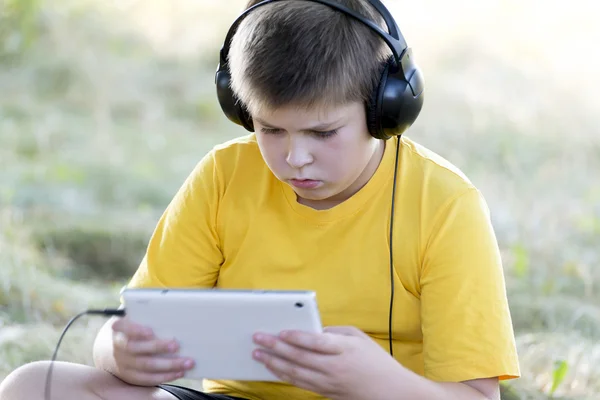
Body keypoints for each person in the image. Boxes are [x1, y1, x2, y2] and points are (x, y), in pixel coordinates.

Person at [0, 1, 520, 399]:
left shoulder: (447, 205)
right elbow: (125, 329)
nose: (295, 158)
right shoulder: (225, 175)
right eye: (271, 129)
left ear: (385, 110)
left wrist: (374, 379)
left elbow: (476, 396)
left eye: (323, 133)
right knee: (33, 384)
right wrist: (121, 352)